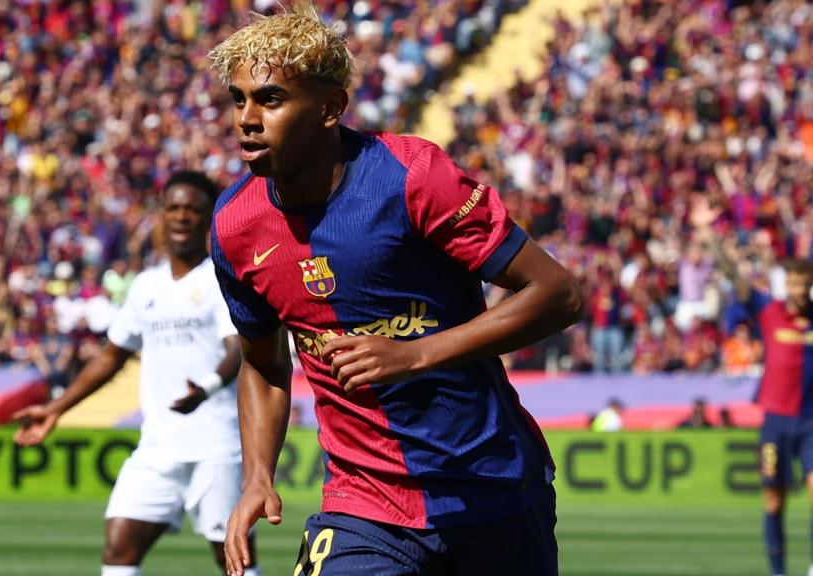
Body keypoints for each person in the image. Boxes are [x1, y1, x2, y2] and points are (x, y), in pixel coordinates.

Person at [207, 3, 584, 574]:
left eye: (271, 99)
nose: (247, 119)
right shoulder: (235, 226)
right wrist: (258, 474)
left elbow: (558, 293)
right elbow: (263, 364)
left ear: (331, 107)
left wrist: (413, 355)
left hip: (492, 489)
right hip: (365, 507)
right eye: (239, 99)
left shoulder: (411, 177)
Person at [12, 172, 261, 576]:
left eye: (193, 209)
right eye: (174, 208)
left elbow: (238, 348)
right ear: (162, 216)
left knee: (233, 558)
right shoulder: (145, 286)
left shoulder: (220, 279)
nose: (182, 216)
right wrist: (56, 409)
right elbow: (111, 357)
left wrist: (207, 387)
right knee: (119, 549)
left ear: (209, 218)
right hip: (158, 447)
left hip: (216, 445)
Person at [700, 205, 813, 576]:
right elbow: (734, 274)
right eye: (793, 283)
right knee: (773, 500)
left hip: (811, 423)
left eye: (804, 283)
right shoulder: (769, 311)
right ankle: (778, 572)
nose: (799, 289)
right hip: (776, 421)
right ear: (786, 284)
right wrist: (711, 235)